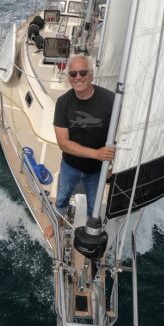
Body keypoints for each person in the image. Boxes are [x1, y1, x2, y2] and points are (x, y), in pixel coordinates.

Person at [51, 54, 115, 229]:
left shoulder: (110, 100)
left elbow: (121, 133)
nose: (78, 77)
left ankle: (90, 232)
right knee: (62, 198)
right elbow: (63, 143)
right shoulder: (63, 102)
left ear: (91, 74)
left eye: (83, 72)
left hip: (97, 170)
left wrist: (112, 165)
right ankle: (57, 224)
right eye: (73, 74)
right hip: (70, 166)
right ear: (69, 78)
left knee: (94, 207)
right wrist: (96, 154)